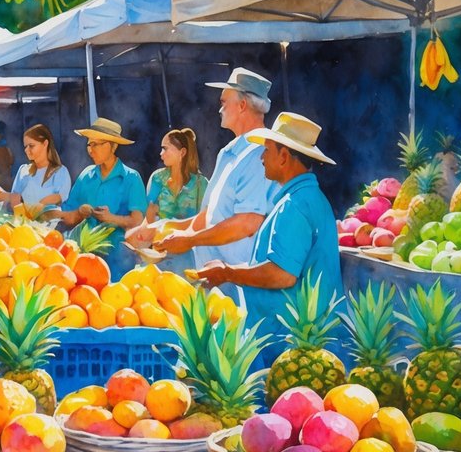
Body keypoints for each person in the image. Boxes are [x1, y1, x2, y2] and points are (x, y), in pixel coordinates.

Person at [194, 113, 341, 368]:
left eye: (267, 150)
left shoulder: (295, 205)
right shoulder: (304, 198)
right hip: (294, 346)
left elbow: (282, 275)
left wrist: (228, 273)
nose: (261, 158)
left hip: (294, 349)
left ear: (284, 157)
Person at [131, 68, 277, 278]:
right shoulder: (227, 153)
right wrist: (165, 226)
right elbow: (207, 217)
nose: (220, 110)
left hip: (240, 280)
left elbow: (247, 223)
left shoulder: (260, 152)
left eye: (224, 103)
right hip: (214, 278)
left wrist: (190, 240)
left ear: (242, 105)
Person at [59, 118, 147, 233]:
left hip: (118, 248)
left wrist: (111, 218)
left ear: (114, 146)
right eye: (89, 145)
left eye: (95, 144)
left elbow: (138, 221)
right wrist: (79, 213)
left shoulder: (131, 178)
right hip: (82, 246)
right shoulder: (86, 175)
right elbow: (67, 217)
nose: (90, 150)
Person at [0, 124, 71, 221]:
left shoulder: (60, 172)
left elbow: (61, 198)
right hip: (23, 227)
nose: (26, 150)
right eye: (25, 146)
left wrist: (41, 204)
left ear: (45, 144)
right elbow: (14, 200)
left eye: (31, 146)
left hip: (50, 230)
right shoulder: (23, 170)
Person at [146, 129, 209, 223]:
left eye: (165, 148)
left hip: (191, 236)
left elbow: (205, 220)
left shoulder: (201, 184)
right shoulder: (157, 178)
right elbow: (147, 218)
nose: (161, 153)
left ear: (182, 152)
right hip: (160, 236)